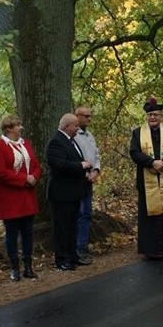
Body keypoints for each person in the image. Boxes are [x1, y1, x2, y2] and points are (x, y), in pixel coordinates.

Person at [129, 98, 163, 258]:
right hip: (147, 180)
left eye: (156, 115)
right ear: (146, 116)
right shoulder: (138, 133)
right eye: (150, 115)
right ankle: (150, 250)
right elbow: (134, 153)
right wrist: (152, 162)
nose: (153, 117)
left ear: (161, 116)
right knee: (148, 216)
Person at [0, 115, 42, 281]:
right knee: (11, 234)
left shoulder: (25, 144)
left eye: (20, 124)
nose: (21, 127)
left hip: (27, 195)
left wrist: (34, 176)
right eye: (17, 125)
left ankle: (28, 266)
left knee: (28, 232)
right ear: (8, 129)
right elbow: (1, 172)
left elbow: (35, 165)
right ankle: (14, 268)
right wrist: (23, 179)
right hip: (10, 198)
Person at [46, 113, 93, 271]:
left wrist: (84, 171)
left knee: (73, 227)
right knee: (62, 228)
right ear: (66, 126)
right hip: (61, 194)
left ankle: (73, 256)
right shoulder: (56, 142)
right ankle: (62, 259)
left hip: (74, 192)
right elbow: (60, 164)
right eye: (75, 125)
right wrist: (81, 166)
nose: (78, 128)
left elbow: (73, 160)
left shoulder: (71, 141)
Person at [73, 105, 101, 260]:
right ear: (77, 115)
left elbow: (96, 155)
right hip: (78, 180)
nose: (89, 119)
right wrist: (84, 173)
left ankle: (83, 246)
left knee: (87, 214)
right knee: (79, 213)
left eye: (90, 116)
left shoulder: (89, 135)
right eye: (86, 116)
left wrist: (96, 171)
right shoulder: (73, 135)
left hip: (89, 180)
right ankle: (76, 247)